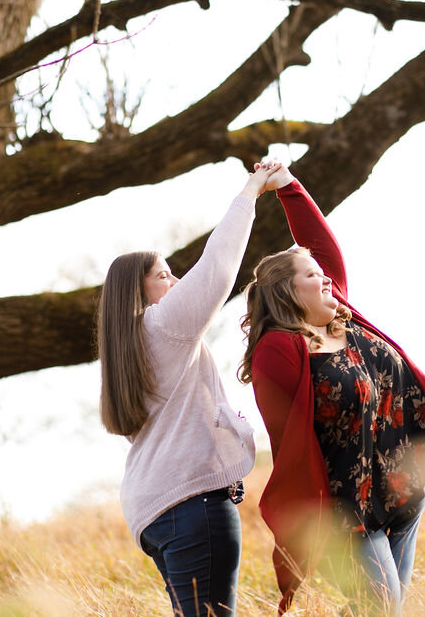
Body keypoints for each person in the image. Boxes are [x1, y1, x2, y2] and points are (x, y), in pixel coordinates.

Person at [239, 165, 425, 615]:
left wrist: (288, 186)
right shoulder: (281, 350)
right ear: (286, 294)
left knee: (377, 609)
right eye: (310, 276)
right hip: (346, 513)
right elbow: (292, 445)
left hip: (404, 491)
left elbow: (323, 247)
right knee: (383, 607)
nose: (325, 280)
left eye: (323, 275)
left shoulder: (344, 316)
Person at [98, 162, 281, 617]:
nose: (176, 282)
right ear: (136, 293)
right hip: (189, 507)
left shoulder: (124, 352)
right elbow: (216, 270)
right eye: (164, 275)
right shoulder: (161, 326)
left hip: (154, 511)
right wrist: (251, 190)